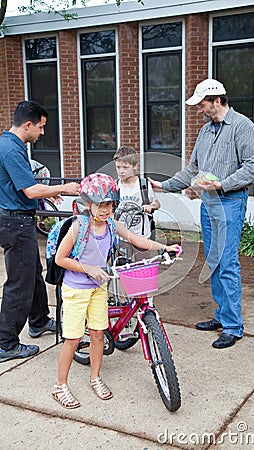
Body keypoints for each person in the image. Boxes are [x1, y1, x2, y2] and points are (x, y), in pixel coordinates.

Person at [149, 78, 254, 349]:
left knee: (227, 263)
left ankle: (233, 327)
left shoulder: (243, 127)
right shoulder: (205, 131)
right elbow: (192, 170)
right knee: (213, 261)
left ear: (217, 100)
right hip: (208, 203)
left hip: (230, 201)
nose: (199, 110)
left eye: (202, 105)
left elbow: (252, 166)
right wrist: (163, 186)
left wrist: (221, 184)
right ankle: (222, 316)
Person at [52, 173, 180, 409]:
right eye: (101, 205)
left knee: (99, 333)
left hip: (99, 288)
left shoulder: (111, 224)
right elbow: (60, 259)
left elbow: (136, 239)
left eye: (110, 204)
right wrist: (88, 268)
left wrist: (165, 247)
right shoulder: (79, 227)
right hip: (76, 290)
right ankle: (60, 386)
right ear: (88, 204)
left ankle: (95, 378)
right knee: (72, 339)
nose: (106, 209)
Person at [0, 100, 80, 362]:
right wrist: (63, 188)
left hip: (18, 219)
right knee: (19, 284)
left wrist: (44, 197)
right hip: (15, 223)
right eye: (41, 127)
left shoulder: (10, 144)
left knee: (33, 275)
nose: (42, 133)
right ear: (28, 124)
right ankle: (6, 343)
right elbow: (30, 189)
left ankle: (38, 320)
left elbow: (22, 187)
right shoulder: (11, 149)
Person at [113, 146, 160, 261]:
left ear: (135, 166)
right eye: (118, 167)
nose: (121, 171)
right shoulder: (115, 186)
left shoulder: (143, 184)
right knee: (123, 268)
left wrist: (150, 206)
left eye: (125, 167)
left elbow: (157, 204)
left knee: (142, 267)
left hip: (142, 235)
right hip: (122, 237)